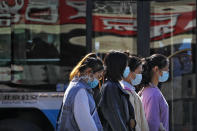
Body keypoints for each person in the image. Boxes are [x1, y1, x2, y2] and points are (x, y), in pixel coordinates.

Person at [57, 57, 104, 131]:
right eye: (98, 76)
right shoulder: (80, 91)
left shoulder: (76, 86)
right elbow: (86, 125)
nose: (98, 80)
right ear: (89, 72)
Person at [98, 51, 136, 131]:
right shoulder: (110, 87)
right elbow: (115, 118)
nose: (127, 69)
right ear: (119, 66)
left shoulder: (115, 85)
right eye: (125, 66)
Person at [139, 54, 169, 131]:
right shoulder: (153, 93)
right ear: (156, 69)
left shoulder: (146, 90)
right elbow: (152, 124)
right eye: (166, 69)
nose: (168, 71)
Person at [120, 55, 149, 131]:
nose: (140, 75)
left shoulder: (131, 91)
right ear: (128, 71)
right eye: (139, 72)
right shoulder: (125, 92)